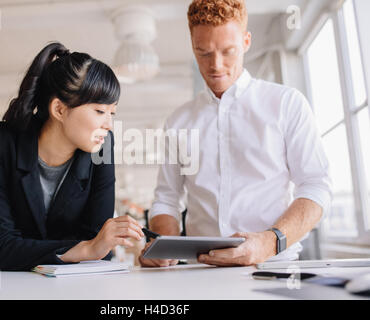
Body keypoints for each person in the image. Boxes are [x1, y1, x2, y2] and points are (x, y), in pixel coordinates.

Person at [139, 0, 332, 268]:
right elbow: (166, 200)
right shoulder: (178, 121)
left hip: (273, 265)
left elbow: (315, 186)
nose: (216, 65)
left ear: (246, 41)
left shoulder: (286, 103)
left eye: (228, 51)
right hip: (199, 271)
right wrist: (163, 244)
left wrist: (268, 242)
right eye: (203, 53)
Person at [0, 42, 144, 271]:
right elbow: (0, 247)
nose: (109, 125)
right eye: (99, 111)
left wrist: (7, 256)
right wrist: (85, 249)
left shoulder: (103, 147)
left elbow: (101, 250)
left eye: (112, 113)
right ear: (59, 109)